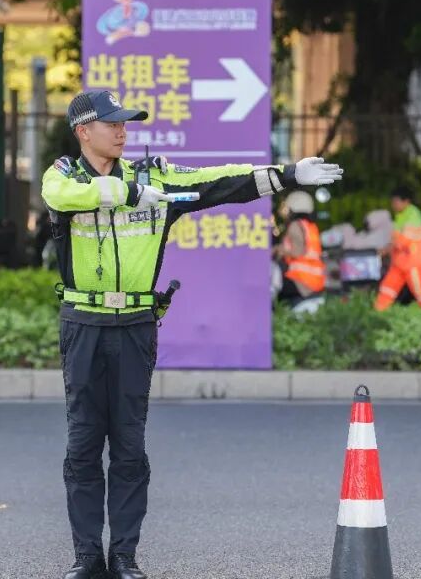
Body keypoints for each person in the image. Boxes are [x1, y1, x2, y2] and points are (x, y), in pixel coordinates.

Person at [41, 89, 345, 579]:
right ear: (83, 131)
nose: (122, 131)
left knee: (129, 448)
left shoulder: (154, 177)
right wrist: (126, 194)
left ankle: (124, 557)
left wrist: (288, 175)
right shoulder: (64, 175)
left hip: (135, 326)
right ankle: (87, 557)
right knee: (82, 447)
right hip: (84, 325)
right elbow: (58, 196)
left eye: (125, 123)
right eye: (112, 123)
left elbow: (221, 181)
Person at [374, 185, 421, 310]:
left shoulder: (413, 215)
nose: (393, 205)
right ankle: (378, 313)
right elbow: (396, 240)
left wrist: (384, 250)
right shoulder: (400, 215)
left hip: (413, 264)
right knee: (386, 289)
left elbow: (402, 241)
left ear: (406, 201)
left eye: (396, 201)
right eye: (392, 202)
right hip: (399, 263)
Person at [274, 190, 326, 303]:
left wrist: (279, 250)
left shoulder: (295, 225)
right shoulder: (311, 227)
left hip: (300, 279)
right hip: (315, 280)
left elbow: (298, 252)